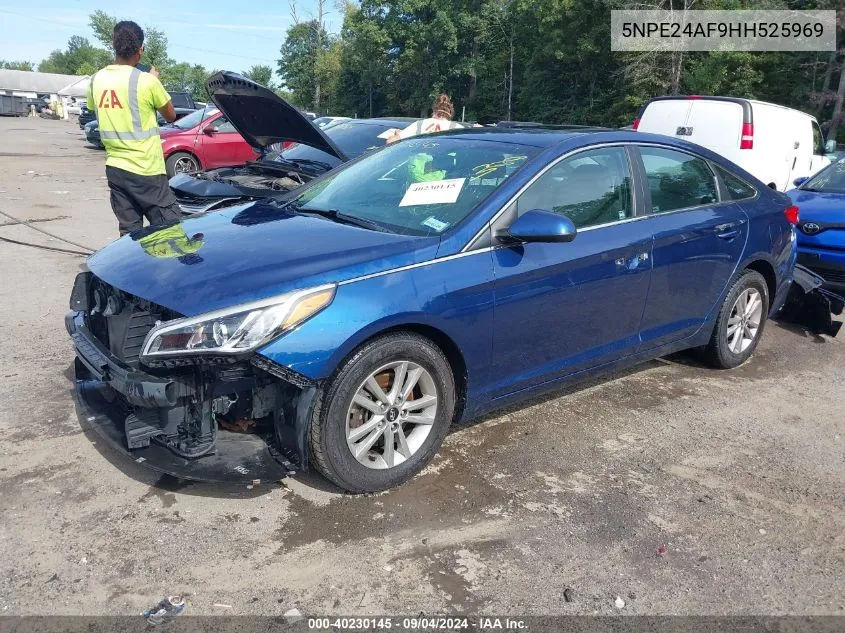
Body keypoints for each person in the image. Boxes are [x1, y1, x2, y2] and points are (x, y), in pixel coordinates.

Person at [87, 20, 180, 236]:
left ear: (113, 45)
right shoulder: (147, 81)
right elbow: (171, 114)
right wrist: (155, 80)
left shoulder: (96, 80)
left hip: (116, 168)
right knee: (172, 231)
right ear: (141, 50)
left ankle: (132, 269)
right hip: (146, 168)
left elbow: (96, 107)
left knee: (130, 234)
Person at [386, 94, 463, 144]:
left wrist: (399, 134)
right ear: (450, 113)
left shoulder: (420, 124)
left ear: (434, 110)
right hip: (447, 168)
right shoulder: (457, 128)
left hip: (420, 168)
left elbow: (391, 141)